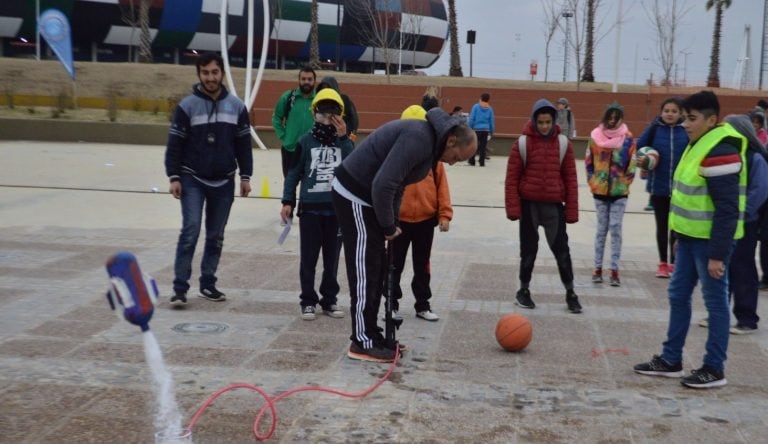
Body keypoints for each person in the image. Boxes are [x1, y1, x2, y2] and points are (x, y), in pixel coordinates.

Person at [332, 107, 477, 363]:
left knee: (377, 265)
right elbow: (383, 183)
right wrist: (388, 226)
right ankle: (361, 341)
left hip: (371, 198)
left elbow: (398, 184)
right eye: (458, 157)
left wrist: (391, 222)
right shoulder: (419, 137)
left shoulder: (431, 147)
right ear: (452, 140)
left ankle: (373, 334)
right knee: (366, 266)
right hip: (354, 192)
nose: (454, 162)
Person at [634, 90, 748, 389]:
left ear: (712, 120)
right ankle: (671, 359)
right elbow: (687, 197)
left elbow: (727, 208)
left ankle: (714, 368)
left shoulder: (721, 149)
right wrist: (677, 236)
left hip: (709, 243)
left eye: (692, 119)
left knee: (716, 304)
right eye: (685, 118)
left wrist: (718, 255)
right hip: (687, 238)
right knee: (677, 295)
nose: (685, 124)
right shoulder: (696, 143)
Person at [164, 52, 253, 307]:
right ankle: (180, 288)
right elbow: (174, 145)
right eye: (205, 73)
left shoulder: (236, 107)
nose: (210, 77)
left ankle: (207, 284)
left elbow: (243, 145)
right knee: (191, 230)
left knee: (215, 235)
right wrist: (174, 176)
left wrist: (246, 176)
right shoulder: (187, 106)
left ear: (222, 73)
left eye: (215, 72)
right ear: (198, 74)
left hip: (224, 181)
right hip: (192, 178)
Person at [280, 88, 354, 321]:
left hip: (336, 211)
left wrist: (343, 138)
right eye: (323, 111)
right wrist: (287, 200)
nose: (327, 117)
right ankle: (308, 300)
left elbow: (352, 167)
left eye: (333, 111)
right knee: (309, 258)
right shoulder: (305, 142)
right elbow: (293, 173)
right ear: (314, 113)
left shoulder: (345, 142)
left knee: (332, 259)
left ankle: (329, 300)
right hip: (311, 209)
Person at [505, 99, 582, 314]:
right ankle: (524, 290)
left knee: (562, 251)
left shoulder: (563, 144)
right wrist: (513, 209)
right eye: (541, 122)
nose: (545, 126)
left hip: (553, 208)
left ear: (554, 121)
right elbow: (512, 178)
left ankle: (571, 292)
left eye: (548, 122)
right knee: (528, 250)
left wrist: (572, 210)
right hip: (529, 206)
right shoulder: (522, 143)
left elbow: (571, 179)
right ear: (534, 121)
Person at [387, 105, 453, 322]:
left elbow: (442, 187)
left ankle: (422, 304)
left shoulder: (434, 160)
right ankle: (391, 304)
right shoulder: (395, 156)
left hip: (425, 220)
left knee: (422, 266)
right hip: (399, 221)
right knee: (394, 265)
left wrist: (444, 214)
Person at [718, 114, 768, 334]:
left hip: (745, 223)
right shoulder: (727, 154)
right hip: (725, 221)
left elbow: (760, 190)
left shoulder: (755, 157)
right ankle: (718, 313)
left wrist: (743, 212)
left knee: (743, 268)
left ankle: (747, 318)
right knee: (721, 268)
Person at [635, 97, 689, 278]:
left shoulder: (686, 130)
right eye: (666, 111)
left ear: (681, 113)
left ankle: (674, 263)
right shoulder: (655, 129)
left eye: (674, 111)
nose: (669, 114)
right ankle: (662, 263)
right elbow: (640, 146)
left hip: (680, 189)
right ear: (661, 112)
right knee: (662, 226)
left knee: (676, 227)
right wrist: (644, 160)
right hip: (658, 187)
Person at [585, 102, 637, 287]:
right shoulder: (595, 137)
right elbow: (588, 162)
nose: (613, 121)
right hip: (599, 191)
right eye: (610, 117)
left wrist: (625, 182)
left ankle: (614, 269)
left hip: (619, 192)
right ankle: (597, 268)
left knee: (615, 228)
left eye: (617, 117)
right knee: (601, 230)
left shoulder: (628, 139)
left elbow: (632, 163)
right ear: (605, 117)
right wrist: (592, 181)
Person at [272, 65, 316, 177]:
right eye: (303, 79)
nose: (306, 82)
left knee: (308, 188)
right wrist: (283, 136)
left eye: (310, 79)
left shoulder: (319, 99)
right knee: (289, 186)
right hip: (290, 150)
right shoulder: (288, 97)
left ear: (314, 81)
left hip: (312, 152)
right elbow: (276, 117)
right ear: (299, 80)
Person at [316, 76, 359, 141]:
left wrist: (351, 139)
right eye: (323, 88)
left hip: (343, 139)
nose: (326, 90)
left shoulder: (345, 100)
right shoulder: (319, 102)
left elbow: (354, 122)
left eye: (328, 88)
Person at [468, 92, 495, 166]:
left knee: (474, 145)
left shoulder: (476, 107)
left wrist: (470, 127)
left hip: (476, 129)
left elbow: (472, 118)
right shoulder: (490, 109)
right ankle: (482, 162)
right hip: (485, 130)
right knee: (483, 146)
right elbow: (491, 121)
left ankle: (472, 161)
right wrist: (492, 131)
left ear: (481, 98)